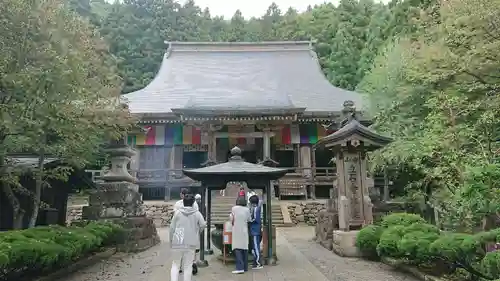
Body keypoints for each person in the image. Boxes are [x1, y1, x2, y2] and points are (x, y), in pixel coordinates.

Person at [169, 193, 206, 281]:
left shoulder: (177, 213)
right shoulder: (197, 213)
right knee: (188, 266)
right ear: (193, 202)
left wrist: (171, 240)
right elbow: (203, 224)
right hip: (191, 240)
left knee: (175, 264)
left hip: (178, 238)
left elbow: (172, 228)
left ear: (183, 202)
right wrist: (197, 232)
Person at [173, 188, 199, 275]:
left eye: (181, 194)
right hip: (191, 228)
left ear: (183, 195)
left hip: (180, 229)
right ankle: (192, 264)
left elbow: (175, 216)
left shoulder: (178, 204)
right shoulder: (194, 204)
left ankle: (179, 266)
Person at [230, 196, 251, 274]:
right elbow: (249, 219)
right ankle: (245, 267)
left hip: (236, 230)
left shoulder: (234, 209)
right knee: (244, 249)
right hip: (244, 230)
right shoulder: (247, 209)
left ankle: (239, 267)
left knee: (237, 248)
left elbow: (231, 218)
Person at [248, 195, 263, 269]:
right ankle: (255, 262)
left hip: (255, 230)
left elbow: (255, 219)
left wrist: (249, 221)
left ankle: (258, 263)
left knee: (256, 247)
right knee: (255, 247)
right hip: (255, 229)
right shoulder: (256, 208)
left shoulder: (256, 209)